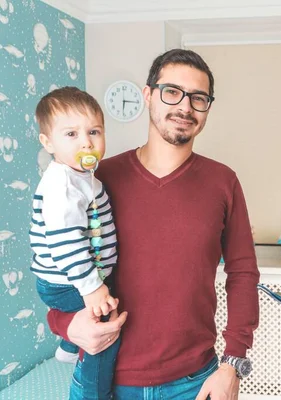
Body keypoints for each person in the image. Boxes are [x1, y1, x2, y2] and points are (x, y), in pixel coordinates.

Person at [46, 49, 260, 400]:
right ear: (148, 95)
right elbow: (55, 258)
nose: (185, 107)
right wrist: (66, 324)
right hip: (105, 377)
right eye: (172, 92)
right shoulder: (98, 180)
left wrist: (233, 363)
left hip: (197, 382)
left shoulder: (223, 182)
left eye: (198, 98)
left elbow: (243, 273)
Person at [30, 87, 120, 400]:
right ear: (48, 142)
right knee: (105, 325)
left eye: (94, 131)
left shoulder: (84, 177)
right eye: (71, 133)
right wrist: (92, 289)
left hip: (75, 277)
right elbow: (66, 242)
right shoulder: (61, 183)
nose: (86, 142)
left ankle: (69, 348)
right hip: (67, 280)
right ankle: (94, 392)